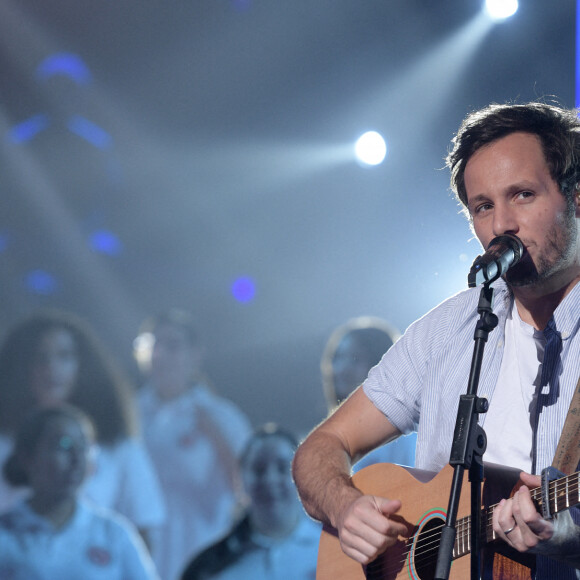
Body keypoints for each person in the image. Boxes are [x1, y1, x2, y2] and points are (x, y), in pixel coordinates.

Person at [292, 101, 580, 579]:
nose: (500, 225)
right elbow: (320, 449)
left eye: (523, 195)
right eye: (483, 206)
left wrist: (568, 541)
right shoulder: (448, 330)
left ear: (575, 197)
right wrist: (345, 508)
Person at [0, 309, 165, 547]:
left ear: (83, 366)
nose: (51, 368)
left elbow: (144, 527)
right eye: (40, 357)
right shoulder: (4, 440)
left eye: (64, 357)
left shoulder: (115, 444)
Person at [134, 308, 253, 580]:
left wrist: (217, 440)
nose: (160, 355)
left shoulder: (222, 416)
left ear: (195, 354)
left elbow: (248, 489)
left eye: (173, 346)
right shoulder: (128, 414)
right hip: (141, 555)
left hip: (203, 552)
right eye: (153, 346)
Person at [0, 404, 159, 579]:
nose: (77, 458)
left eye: (84, 447)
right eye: (63, 445)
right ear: (27, 458)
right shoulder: (6, 533)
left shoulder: (113, 534)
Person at [180, 423, 320, 580]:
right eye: (259, 470)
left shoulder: (337, 551)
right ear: (240, 481)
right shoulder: (208, 567)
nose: (270, 480)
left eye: (282, 468)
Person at [320, 316, 416, 469]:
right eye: (337, 358)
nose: (341, 369)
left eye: (355, 359)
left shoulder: (406, 437)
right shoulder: (328, 440)